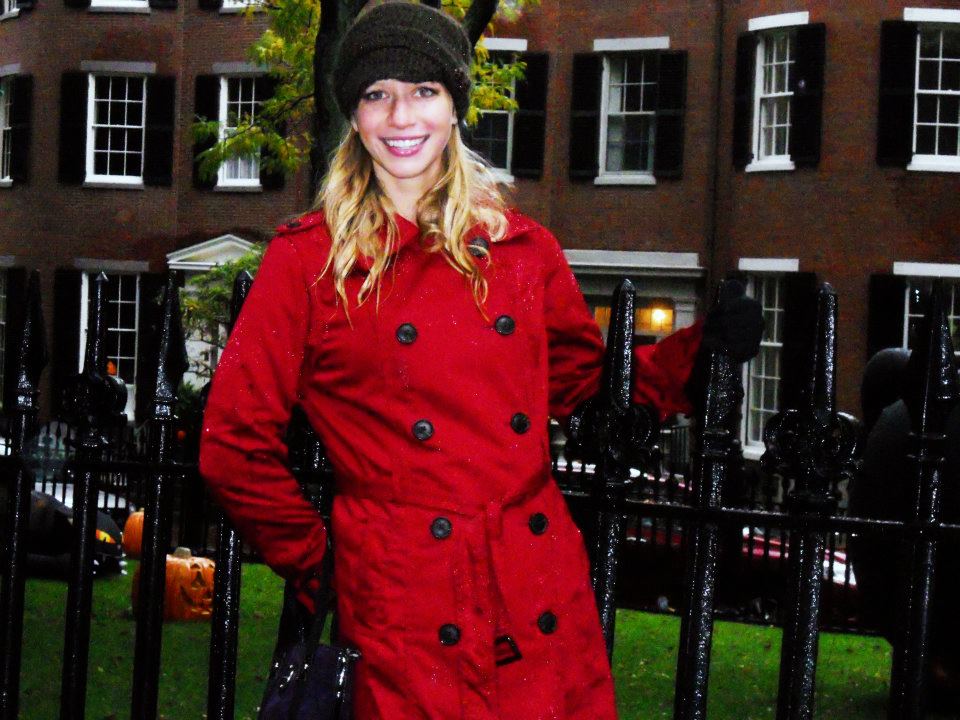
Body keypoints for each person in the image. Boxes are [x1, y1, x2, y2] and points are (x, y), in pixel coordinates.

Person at [199, 3, 761, 718]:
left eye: (424, 91)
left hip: (536, 585)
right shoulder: (308, 261)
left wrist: (696, 355)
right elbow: (232, 442)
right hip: (404, 599)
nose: (401, 116)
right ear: (355, 117)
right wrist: (323, 563)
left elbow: (591, 392)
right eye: (377, 94)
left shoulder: (524, 252)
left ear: (455, 106)